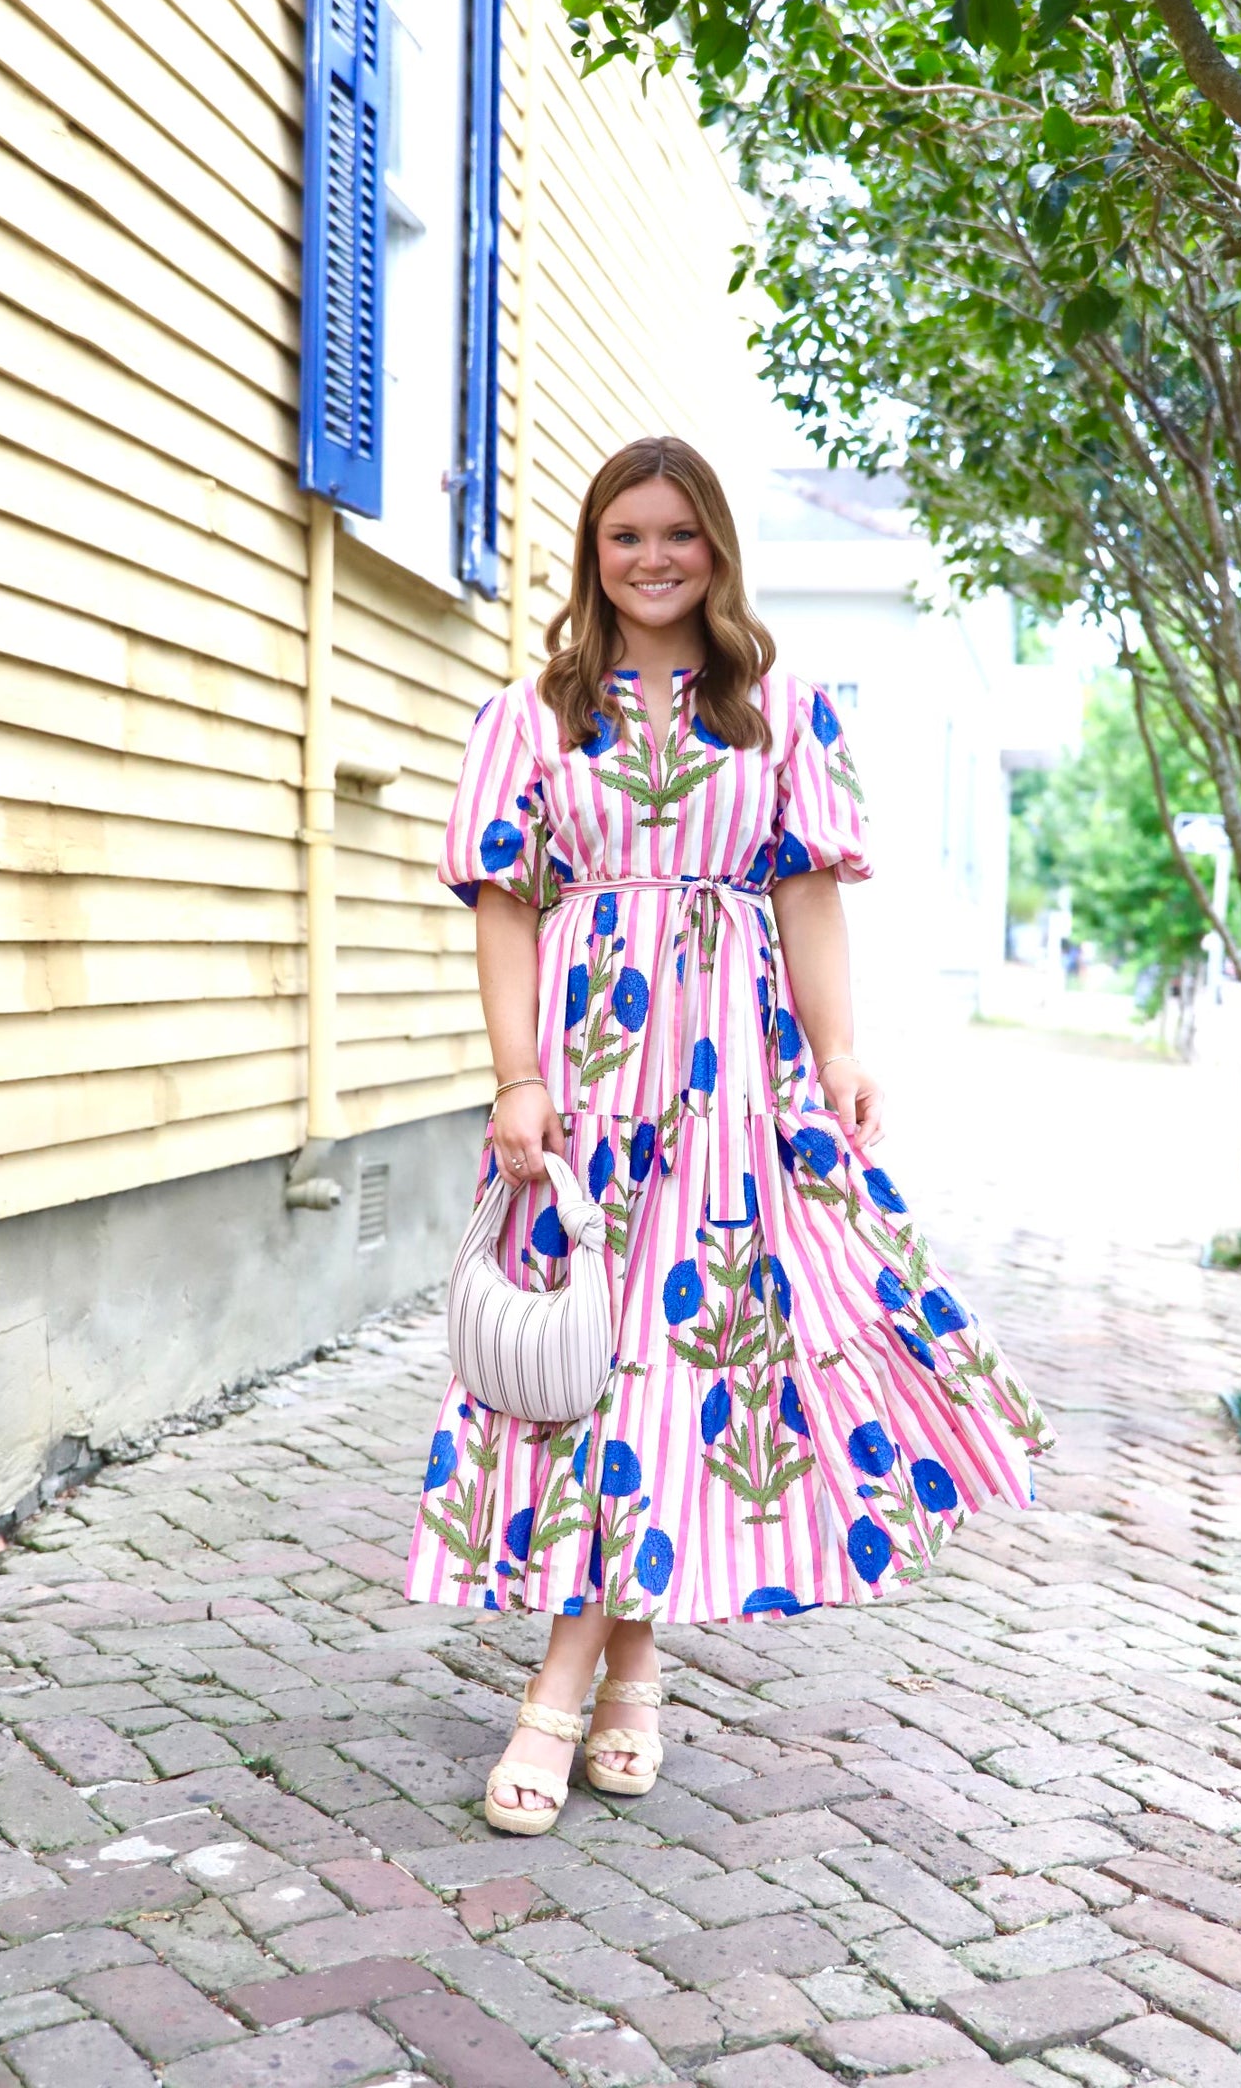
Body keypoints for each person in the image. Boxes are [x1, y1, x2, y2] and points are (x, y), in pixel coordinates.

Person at [406, 436, 1053, 1834]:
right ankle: (627, 1679)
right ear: (594, 551)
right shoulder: (528, 714)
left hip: (728, 1080)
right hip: (584, 1074)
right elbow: (506, 907)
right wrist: (515, 1080)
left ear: (718, 551)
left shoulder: (780, 710)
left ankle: (556, 1694)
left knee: (674, 1364)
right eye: (625, 535)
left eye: (678, 534)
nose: (651, 559)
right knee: (585, 1363)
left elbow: (809, 895)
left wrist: (837, 1054)